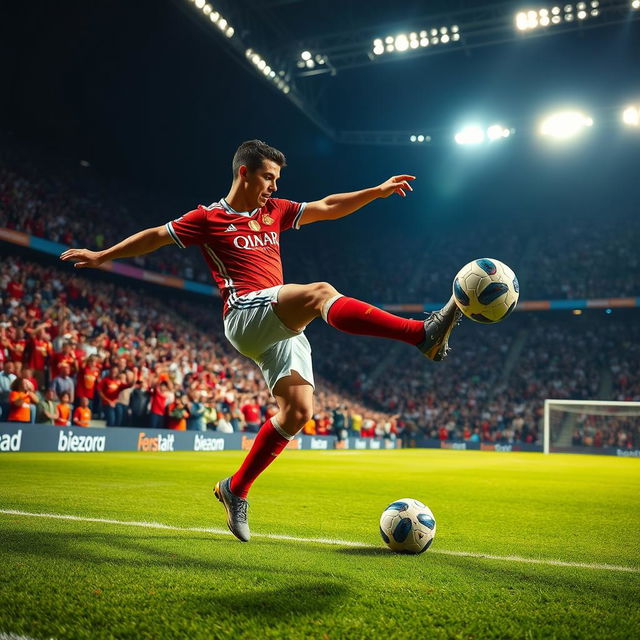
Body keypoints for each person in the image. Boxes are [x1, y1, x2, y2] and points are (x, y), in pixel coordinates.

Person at [60, 139, 462, 542]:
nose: (274, 187)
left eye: (277, 179)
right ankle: (420, 334)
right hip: (245, 314)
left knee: (298, 413)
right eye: (269, 177)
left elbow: (327, 206)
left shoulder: (275, 211)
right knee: (321, 293)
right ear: (244, 173)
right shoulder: (209, 217)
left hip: (280, 326)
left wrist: (375, 192)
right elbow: (155, 237)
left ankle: (235, 488)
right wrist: (102, 256)